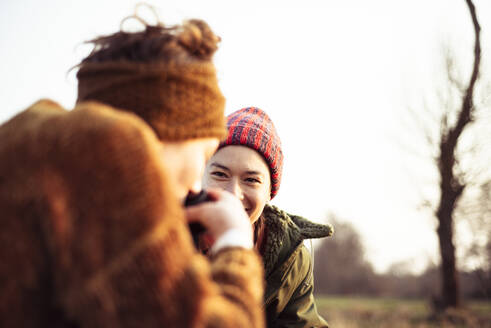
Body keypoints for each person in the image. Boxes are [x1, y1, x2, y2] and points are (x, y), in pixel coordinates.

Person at [0, 15, 265, 327]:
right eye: (205, 153)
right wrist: (234, 242)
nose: (196, 187)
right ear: (172, 129)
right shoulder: (116, 159)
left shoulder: (27, 146)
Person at [202, 107, 333, 328]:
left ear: (269, 193)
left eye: (251, 180)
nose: (233, 193)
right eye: (220, 175)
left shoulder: (290, 255)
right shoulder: (163, 235)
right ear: (201, 175)